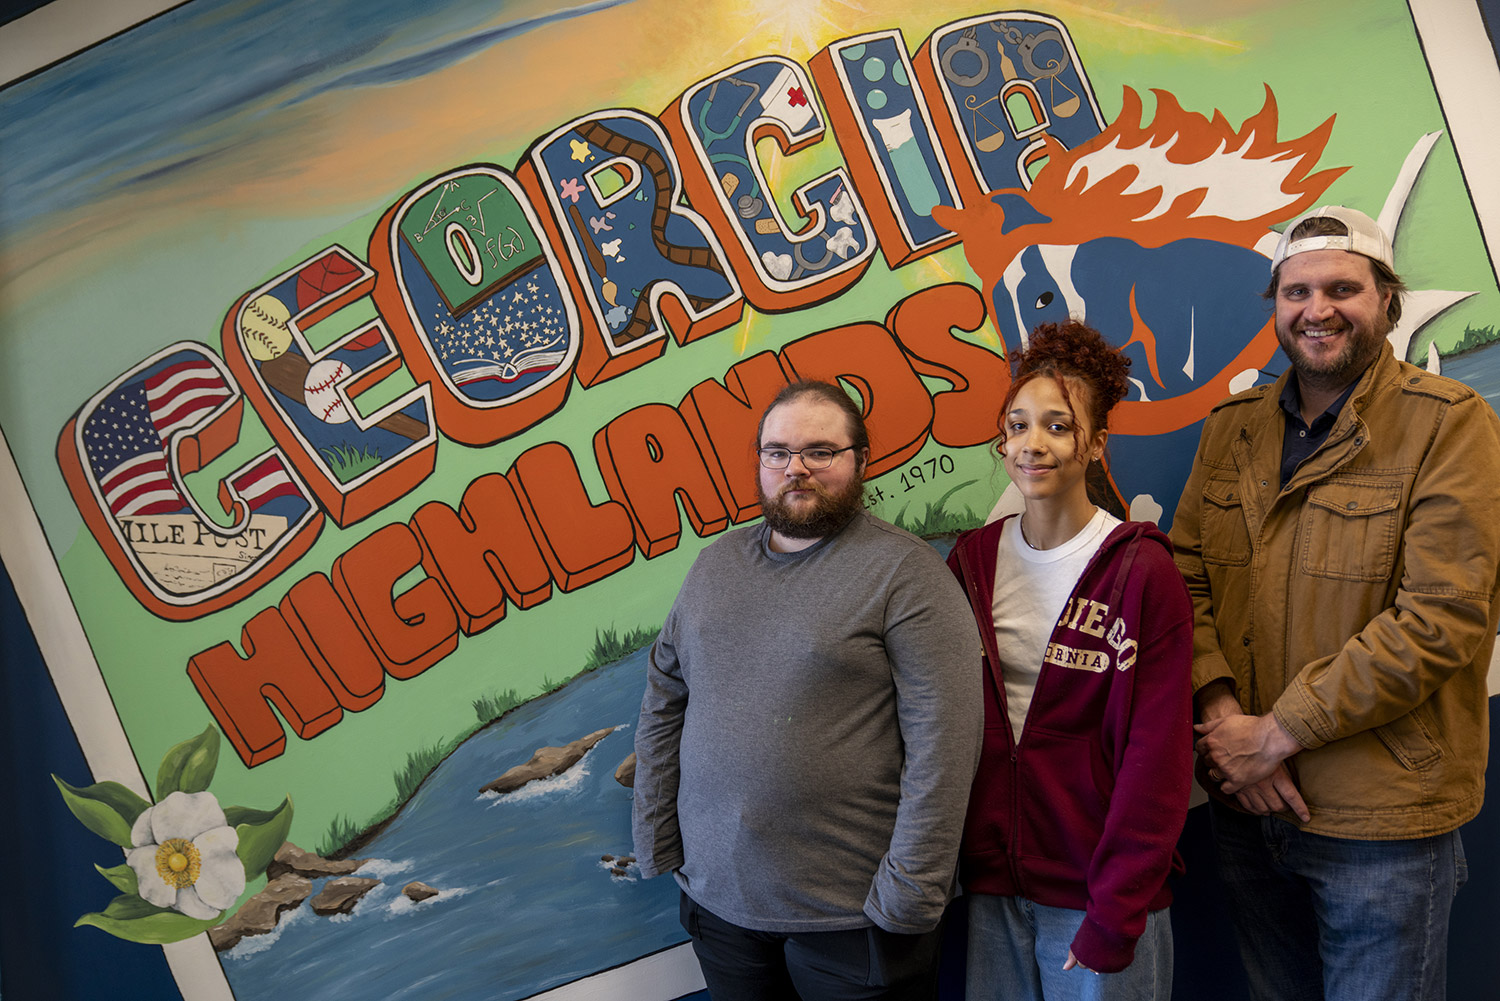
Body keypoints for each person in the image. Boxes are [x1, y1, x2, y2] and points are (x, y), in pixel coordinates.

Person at [1172, 204, 1500, 1001]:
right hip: (1249, 809)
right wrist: (1224, 724)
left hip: (1379, 824)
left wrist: (1276, 735)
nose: (1317, 309)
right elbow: (1183, 576)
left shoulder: (1451, 427)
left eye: (1342, 288)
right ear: (1275, 307)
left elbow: (1440, 618)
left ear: (1387, 299)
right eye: (1297, 291)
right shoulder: (1233, 430)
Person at [631, 379, 983, 1000]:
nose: (796, 469)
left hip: (854, 920)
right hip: (719, 906)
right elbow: (666, 694)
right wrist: (659, 838)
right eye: (777, 452)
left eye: (821, 451)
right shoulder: (715, 565)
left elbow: (947, 743)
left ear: (861, 460)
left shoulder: (906, 573)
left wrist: (909, 895)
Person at [947, 320, 1194, 1000]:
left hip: (1100, 894)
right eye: (1019, 424)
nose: (1033, 443)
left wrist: (1117, 912)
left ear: (1094, 443)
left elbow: (1158, 762)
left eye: (1058, 426)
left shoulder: (1144, 571)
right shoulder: (971, 562)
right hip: (994, 888)